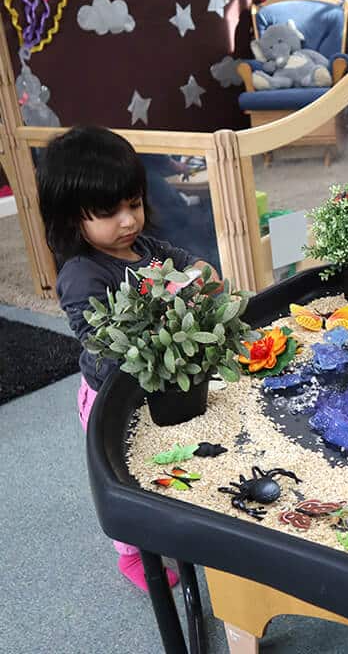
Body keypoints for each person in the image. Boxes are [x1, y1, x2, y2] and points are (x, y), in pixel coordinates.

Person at [39, 125, 220, 593]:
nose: (128, 221)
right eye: (108, 213)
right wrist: (158, 317)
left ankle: (176, 517)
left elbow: (183, 262)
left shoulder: (147, 248)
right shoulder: (81, 274)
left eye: (134, 204)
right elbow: (98, 339)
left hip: (160, 382)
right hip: (110, 395)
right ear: (70, 221)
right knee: (121, 477)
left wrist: (201, 271)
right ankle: (133, 552)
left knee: (164, 459)